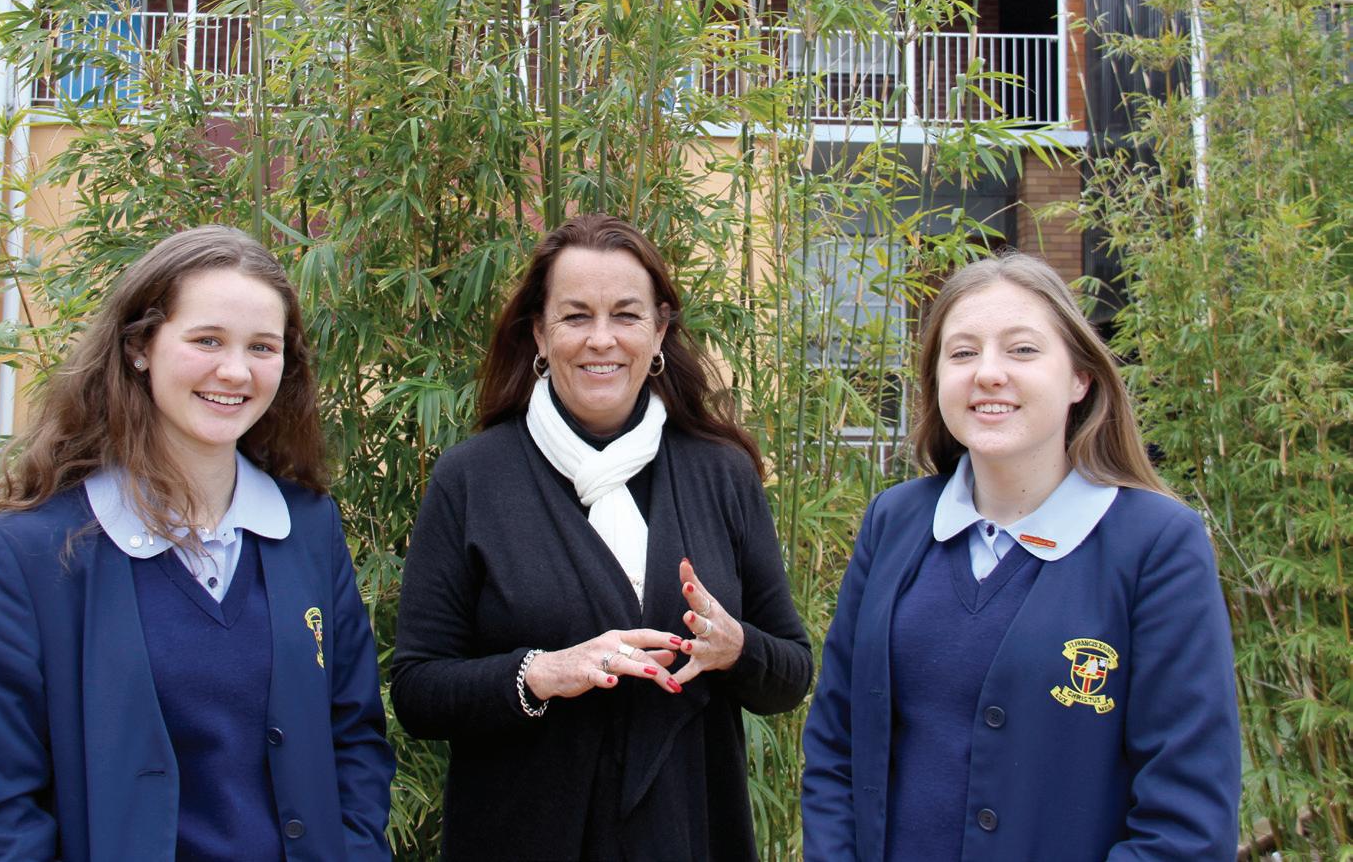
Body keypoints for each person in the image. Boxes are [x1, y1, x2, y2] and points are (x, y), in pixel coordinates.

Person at [0, 226, 396, 862]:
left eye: (262, 347)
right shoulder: (26, 554)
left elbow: (353, 740)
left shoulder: (307, 528)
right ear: (140, 346)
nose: (235, 371)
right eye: (207, 340)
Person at [391, 213, 812, 860]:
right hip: (523, 837)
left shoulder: (720, 475)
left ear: (659, 331)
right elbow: (418, 691)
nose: (601, 339)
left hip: (688, 833)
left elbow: (790, 674)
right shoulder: (471, 480)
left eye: (625, 315)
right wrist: (541, 672)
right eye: (575, 316)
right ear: (539, 331)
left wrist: (736, 648)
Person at [801, 252, 1240, 861]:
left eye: (1022, 350)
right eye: (962, 353)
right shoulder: (894, 523)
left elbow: (1187, 824)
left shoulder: (1156, 546)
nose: (988, 374)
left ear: (1080, 378)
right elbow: (835, 747)